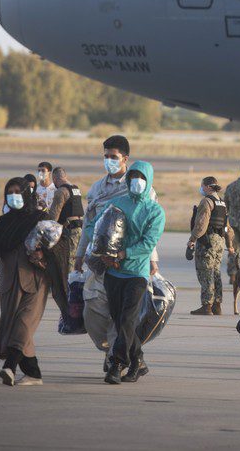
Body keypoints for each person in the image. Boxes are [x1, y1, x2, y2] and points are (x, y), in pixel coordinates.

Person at [76, 135, 160, 358]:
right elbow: (89, 223)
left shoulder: (140, 186)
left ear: (125, 159)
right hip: (99, 260)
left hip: (128, 262)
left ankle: (116, 358)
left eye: (113, 157)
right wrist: (79, 253)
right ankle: (120, 353)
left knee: (121, 316)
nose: (109, 161)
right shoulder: (96, 189)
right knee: (92, 310)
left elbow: (147, 226)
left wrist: (152, 259)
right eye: (106, 157)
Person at [102, 161, 165, 385]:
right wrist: (103, 254)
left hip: (136, 274)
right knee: (120, 321)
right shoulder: (117, 203)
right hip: (113, 273)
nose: (136, 181)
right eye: (133, 176)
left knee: (128, 318)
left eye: (141, 177)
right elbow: (103, 228)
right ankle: (138, 360)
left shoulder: (155, 211)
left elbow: (147, 244)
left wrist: (122, 255)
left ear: (148, 181)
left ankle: (117, 364)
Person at [0, 178, 48, 386]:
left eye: (18, 191)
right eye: (9, 192)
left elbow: (55, 246)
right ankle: (33, 373)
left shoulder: (39, 218)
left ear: (27, 194)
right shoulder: (3, 222)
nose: (13, 196)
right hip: (10, 281)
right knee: (13, 325)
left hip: (36, 280)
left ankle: (9, 366)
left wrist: (41, 255)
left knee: (24, 322)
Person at [43, 167, 85, 324]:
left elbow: (54, 216)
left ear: (54, 179)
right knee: (75, 266)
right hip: (79, 230)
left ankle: (71, 308)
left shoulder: (60, 192)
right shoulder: (76, 189)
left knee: (68, 270)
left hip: (69, 234)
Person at [188, 176, 235, 316]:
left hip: (207, 241)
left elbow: (202, 224)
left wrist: (193, 239)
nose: (201, 188)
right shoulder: (222, 203)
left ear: (208, 187)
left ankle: (207, 305)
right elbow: (227, 227)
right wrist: (230, 245)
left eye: (202, 186)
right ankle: (217, 305)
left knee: (206, 271)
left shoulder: (207, 201)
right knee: (216, 272)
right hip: (219, 241)